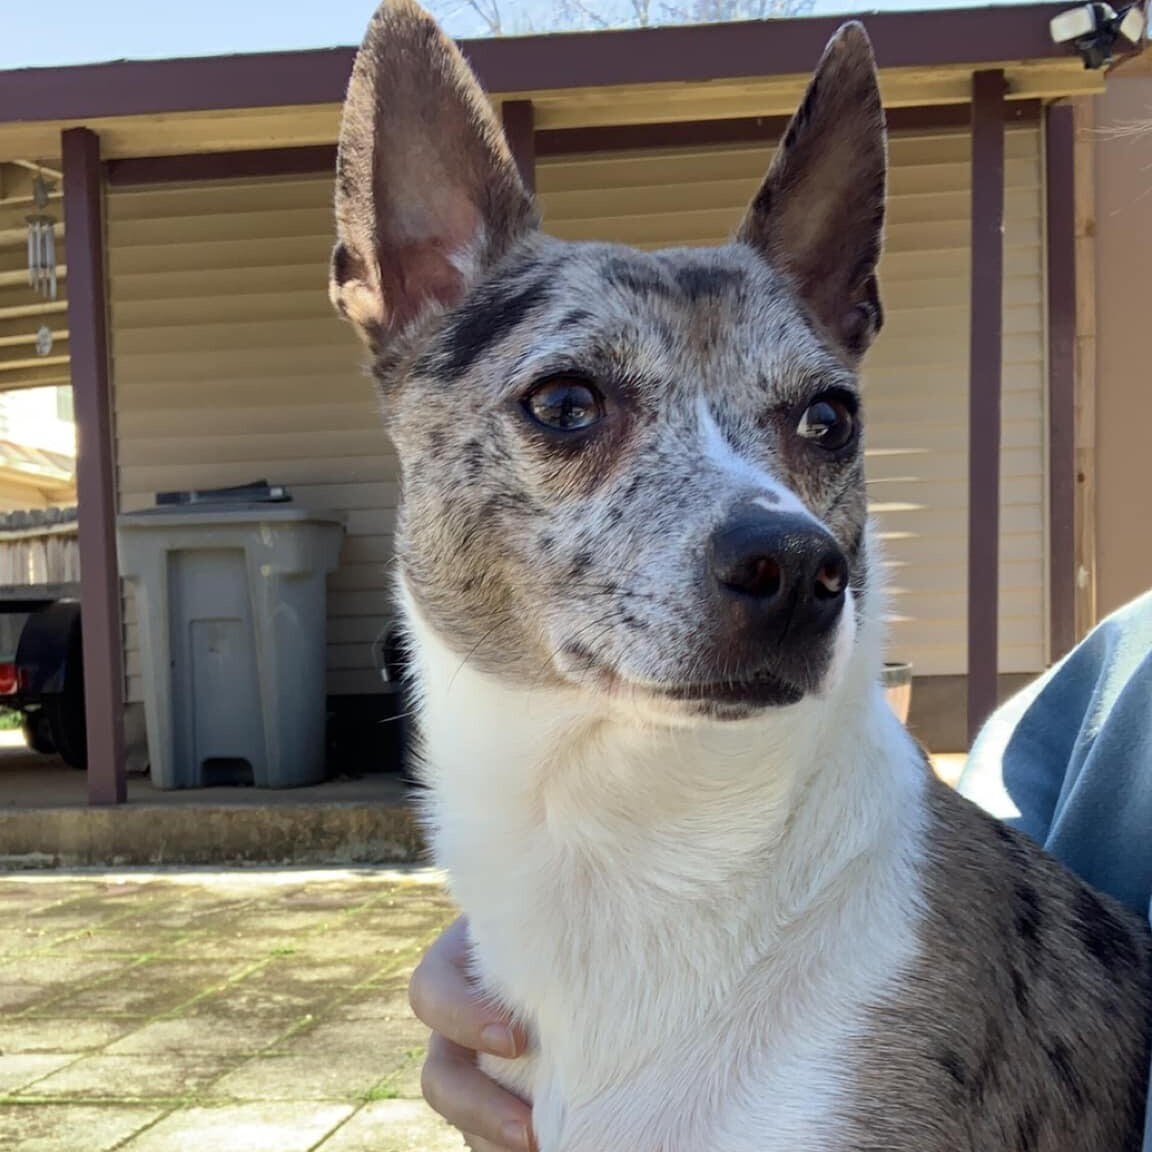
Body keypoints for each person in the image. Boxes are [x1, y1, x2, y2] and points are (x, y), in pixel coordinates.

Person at [407, 588, 1152, 1152]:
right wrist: (573, 913)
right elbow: (1008, 836)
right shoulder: (1117, 669)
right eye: (566, 409)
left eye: (821, 426)